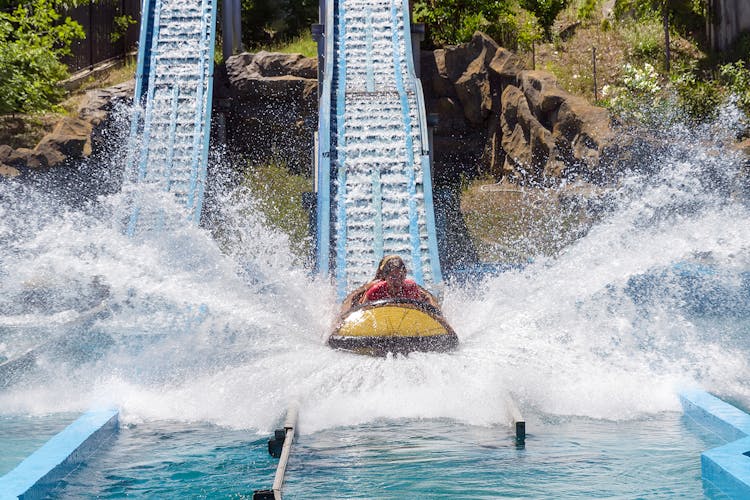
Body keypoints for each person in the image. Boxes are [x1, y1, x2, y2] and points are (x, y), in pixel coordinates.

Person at [359, 255, 439, 307]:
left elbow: (421, 309)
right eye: (393, 277)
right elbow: (362, 311)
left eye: (401, 276)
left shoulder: (411, 288)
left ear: (405, 274)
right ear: (385, 277)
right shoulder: (375, 290)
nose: (397, 281)